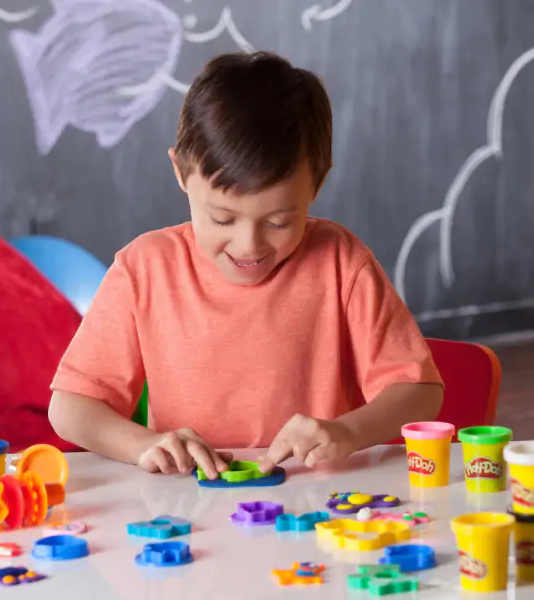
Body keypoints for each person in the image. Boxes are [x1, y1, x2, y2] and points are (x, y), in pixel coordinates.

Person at [49, 52, 443, 479]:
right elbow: (70, 407)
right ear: (181, 173)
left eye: (279, 222)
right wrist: (142, 445)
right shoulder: (143, 270)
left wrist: (348, 431)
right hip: (186, 503)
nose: (249, 245)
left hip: (314, 501)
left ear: (317, 183)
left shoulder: (341, 262)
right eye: (222, 219)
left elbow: (420, 391)